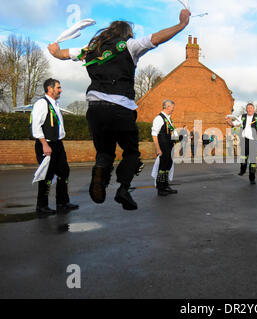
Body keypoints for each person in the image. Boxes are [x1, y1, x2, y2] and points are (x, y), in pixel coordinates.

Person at [48, 9, 191, 210]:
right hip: (121, 108)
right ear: (126, 34)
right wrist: (181, 25)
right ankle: (123, 189)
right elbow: (156, 38)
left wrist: (54, 51)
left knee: (105, 152)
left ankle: (99, 174)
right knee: (132, 153)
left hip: (95, 109)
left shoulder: (90, 48)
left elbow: (63, 54)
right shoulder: (129, 46)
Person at [31, 79, 79, 217]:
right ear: (49, 88)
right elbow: (36, 126)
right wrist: (44, 144)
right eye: (58, 87)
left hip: (58, 144)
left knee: (64, 172)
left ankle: (62, 203)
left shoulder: (55, 104)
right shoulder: (42, 103)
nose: (61, 90)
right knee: (47, 175)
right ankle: (42, 206)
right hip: (46, 144)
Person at [226, 103, 257, 184]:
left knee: (253, 161)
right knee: (243, 158)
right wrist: (228, 121)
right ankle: (242, 169)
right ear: (246, 109)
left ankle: (252, 178)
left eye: (251, 108)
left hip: (254, 141)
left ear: (254, 109)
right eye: (248, 108)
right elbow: (233, 124)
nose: (249, 109)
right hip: (244, 140)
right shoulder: (242, 116)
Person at [152, 100, 179, 196]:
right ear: (167, 107)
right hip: (163, 146)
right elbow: (154, 134)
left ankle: (165, 185)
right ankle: (160, 188)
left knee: (168, 165)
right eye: (172, 107)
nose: (173, 109)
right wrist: (157, 148)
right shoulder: (159, 118)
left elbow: (170, 133)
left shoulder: (168, 119)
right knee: (162, 167)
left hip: (169, 146)